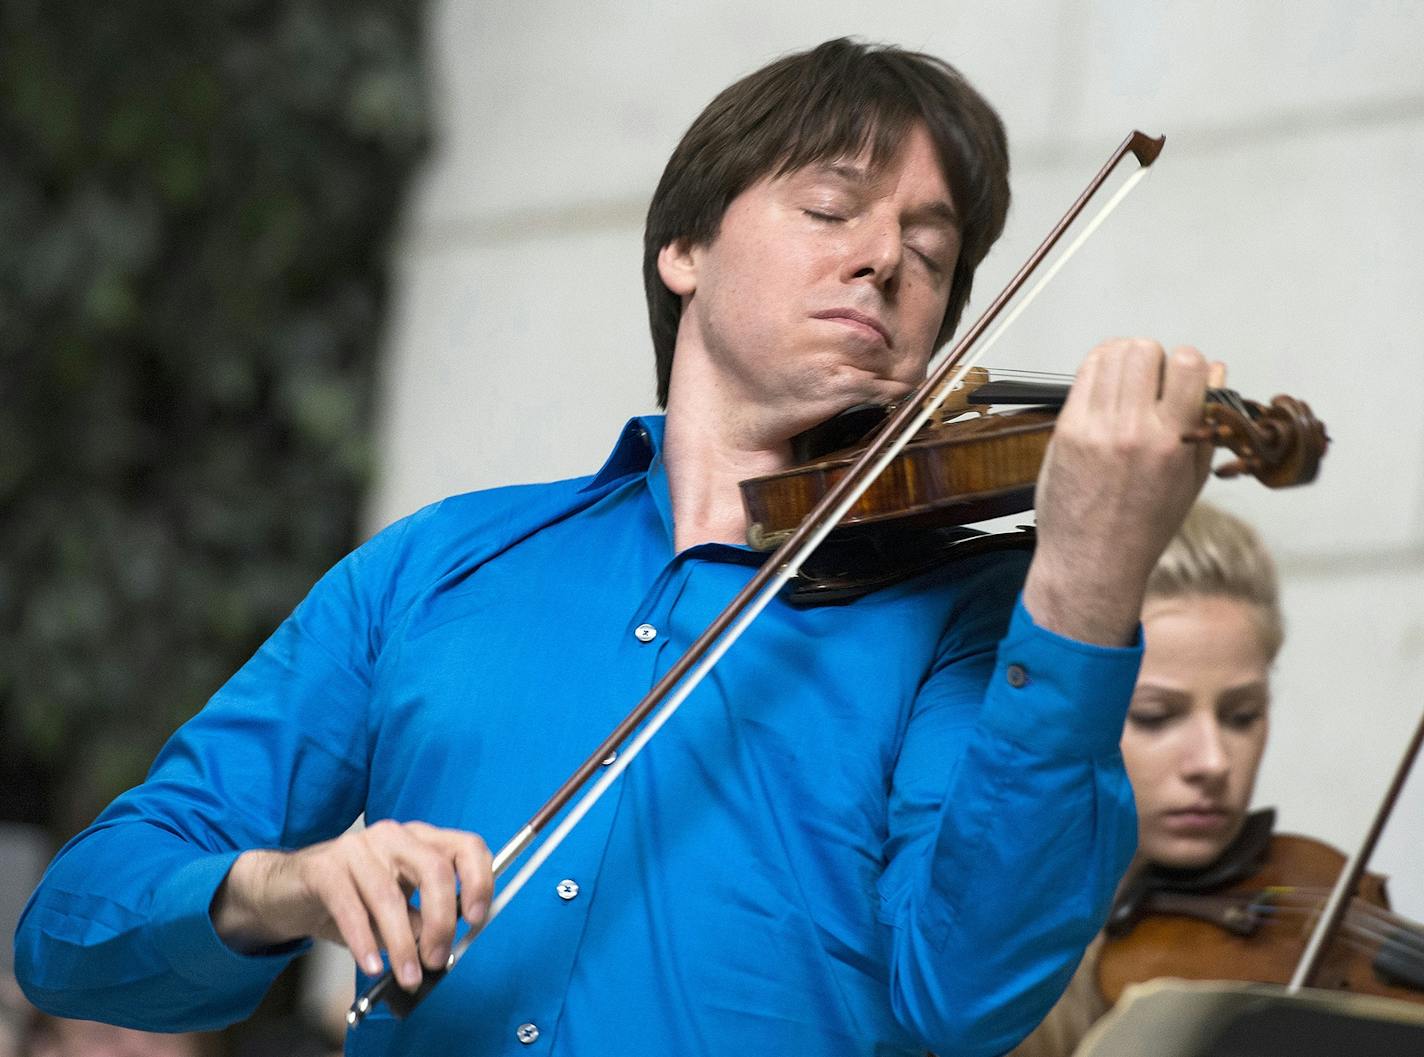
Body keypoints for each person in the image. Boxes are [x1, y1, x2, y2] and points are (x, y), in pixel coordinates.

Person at [15, 38, 1220, 1057]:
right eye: (830, 208)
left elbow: (964, 992)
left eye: (930, 248)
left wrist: (1082, 587)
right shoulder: (435, 567)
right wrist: (286, 883)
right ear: (682, 249)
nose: (884, 259)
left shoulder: (969, 616)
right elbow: (71, 929)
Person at [1006, 502, 1286, 1057]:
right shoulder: (973, 955)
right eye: (1155, 715)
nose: (1212, 762)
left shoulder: (1284, 936)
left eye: (1242, 715)